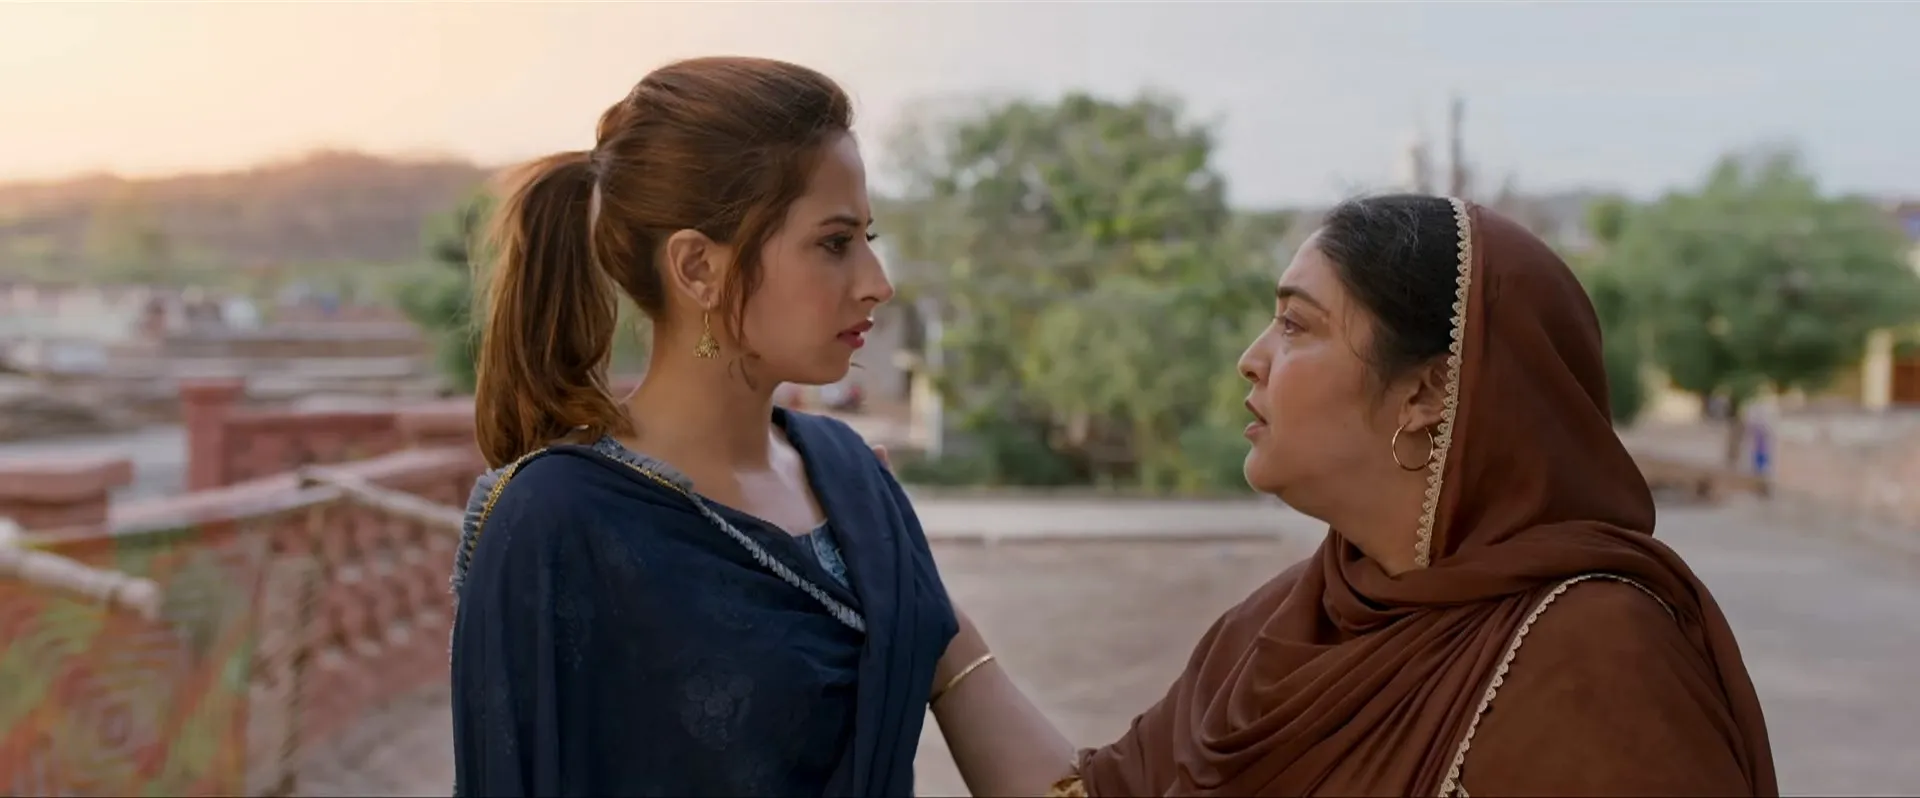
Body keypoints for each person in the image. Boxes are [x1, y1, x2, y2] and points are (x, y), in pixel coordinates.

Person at [928, 194, 1778, 796]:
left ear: (1427, 392)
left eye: (1296, 325)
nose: (1251, 358)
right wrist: (934, 624)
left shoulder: (1594, 652)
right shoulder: (1288, 622)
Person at [447, 57, 956, 797]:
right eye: (835, 242)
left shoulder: (850, 474)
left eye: (867, 238)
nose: (877, 282)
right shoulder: (555, 518)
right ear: (697, 268)